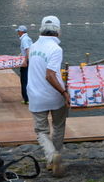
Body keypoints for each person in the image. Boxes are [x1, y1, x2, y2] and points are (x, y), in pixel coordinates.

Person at [26, 16, 69, 178]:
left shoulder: (33, 46)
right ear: (58, 31)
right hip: (55, 95)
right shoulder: (56, 49)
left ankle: (51, 158)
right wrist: (64, 92)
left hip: (36, 95)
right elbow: (50, 75)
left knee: (41, 131)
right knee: (58, 126)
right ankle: (55, 156)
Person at [16, 25, 33, 104]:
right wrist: (20, 55)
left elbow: (27, 50)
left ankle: (27, 99)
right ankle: (27, 98)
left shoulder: (24, 39)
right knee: (27, 79)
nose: (17, 33)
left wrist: (25, 61)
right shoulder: (27, 38)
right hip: (30, 60)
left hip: (27, 62)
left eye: (18, 31)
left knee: (24, 79)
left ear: (21, 32)